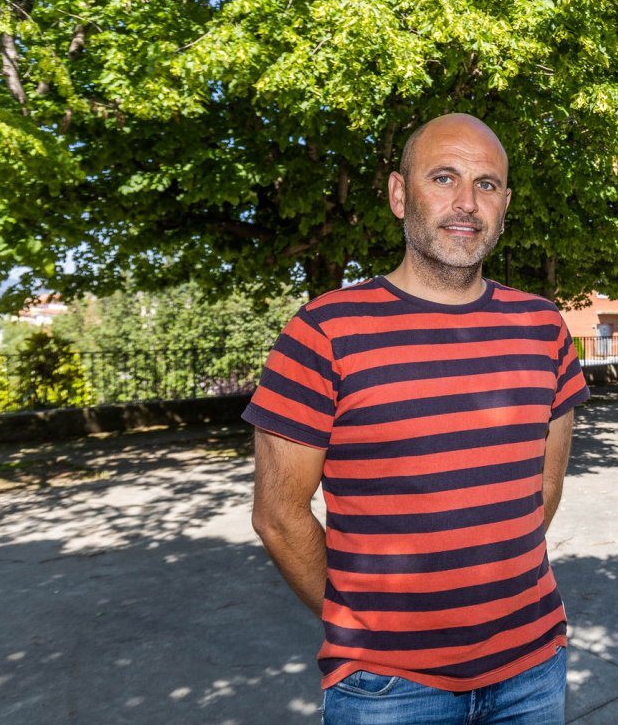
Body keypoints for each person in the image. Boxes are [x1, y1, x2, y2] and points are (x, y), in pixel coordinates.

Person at [244, 113, 590, 725]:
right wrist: (363, 628)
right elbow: (278, 515)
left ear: (505, 203)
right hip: (388, 690)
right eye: (444, 177)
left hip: (533, 668)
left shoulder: (544, 329)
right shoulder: (323, 333)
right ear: (400, 195)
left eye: (487, 185)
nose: (466, 202)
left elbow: (545, 485)